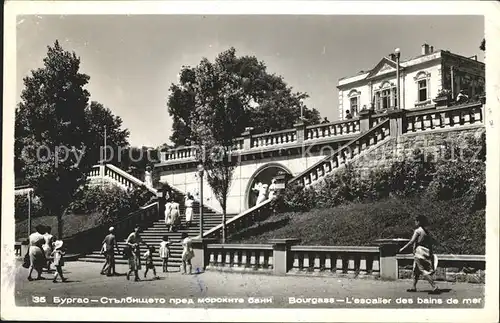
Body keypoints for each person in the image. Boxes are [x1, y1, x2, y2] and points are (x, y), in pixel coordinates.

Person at [399, 215, 439, 294]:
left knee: (422, 270)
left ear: (418, 222)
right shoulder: (426, 231)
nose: (415, 222)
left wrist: (403, 248)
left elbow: (411, 241)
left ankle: (434, 286)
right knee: (416, 270)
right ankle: (413, 287)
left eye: (415, 221)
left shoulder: (418, 231)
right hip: (425, 251)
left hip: (419, 252)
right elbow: (430, 243)